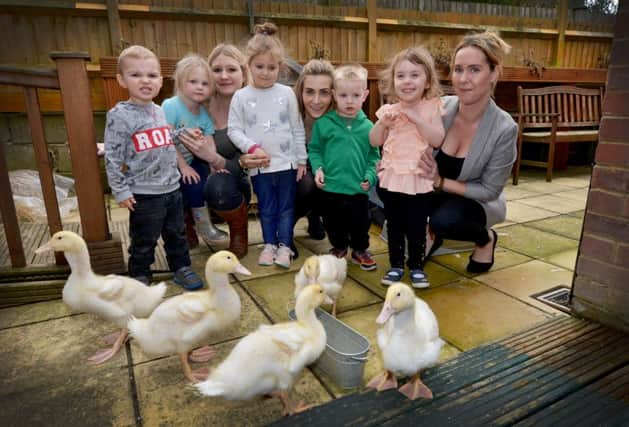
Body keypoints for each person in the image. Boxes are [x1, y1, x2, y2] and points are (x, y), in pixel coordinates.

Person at [103, 45, 204, 290]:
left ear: (161, 80)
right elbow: (112, 156)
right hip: (144, 193)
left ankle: (181, 267)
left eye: (151, 75)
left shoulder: (159, 111)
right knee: (144, 238)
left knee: (176, 233)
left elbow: (163, 138)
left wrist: (182, 134)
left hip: (171, 188)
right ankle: (139, 273)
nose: (145, 81)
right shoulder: (120, 115)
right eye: (136, 75)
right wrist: (121, 190)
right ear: (122, 80)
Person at [420, 31, 517, 273]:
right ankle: (429, 231)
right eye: (458, 69)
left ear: (493, 74)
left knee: (446, 221)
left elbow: (490, 190)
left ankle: (485, 239)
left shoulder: (504, 128)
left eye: (474, 70)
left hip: (474, 199)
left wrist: (440, 181)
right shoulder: (442, 108)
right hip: (434, 191)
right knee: (383, 187)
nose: (463, 79)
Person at [228, 22, 307, 268]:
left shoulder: (286, 94)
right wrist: (251, 148)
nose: (265, 72)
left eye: (271, 67)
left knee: (286, 208)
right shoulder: (241, 96)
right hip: (260, 167)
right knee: (266, 208)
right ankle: (269, 243)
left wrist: (301, 159)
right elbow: (234, 130)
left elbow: (296, 128)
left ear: (280, 68)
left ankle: (285, 246)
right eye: (259, 66)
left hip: (287, 165)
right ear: (248, 66)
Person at [370, 47, 445, 288]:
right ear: (393, 81)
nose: (407, 81)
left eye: (415, 75)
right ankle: (395, 266)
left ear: (427, 81)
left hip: (417, 179)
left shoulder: (432, 107)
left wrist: (416, 118)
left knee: (416, 225)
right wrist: (382, 123)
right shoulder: (390, 110)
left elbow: (437, 139)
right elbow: (374, 140)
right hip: (393, 178)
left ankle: (416, 266)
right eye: (401, 75)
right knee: (394, 225)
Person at [308, 64, 381, 271]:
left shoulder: (369, 128)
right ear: (334, 95)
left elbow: (374, 157)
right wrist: (318, 168)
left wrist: (370, 176)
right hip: (330, 187)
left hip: (358, 189)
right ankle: (339, 246)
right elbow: (314, 150)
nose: (349, 101)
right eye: (343, 95)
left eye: (355, 95)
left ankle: (360, 250)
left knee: (361, 222)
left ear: (365, 95)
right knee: (332, 222)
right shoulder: (324, 124)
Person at [161, 54, 228, 246]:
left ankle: (203, 225)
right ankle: (183, 229)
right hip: (170, 163)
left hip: (192, 160)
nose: (200, 87)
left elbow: (209, 141)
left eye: (205, 84)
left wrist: (215, 163)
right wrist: (182, 167)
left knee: (199, 183)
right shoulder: (171, 106)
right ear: (181, 82)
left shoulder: (203, 114)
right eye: (193, 81)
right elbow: (167, 140)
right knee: (178, 196)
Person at [291, 59, 336, 257]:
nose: (316, 100)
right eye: (310, 91)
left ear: (333, 93)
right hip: (294, 178)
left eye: (324, 92)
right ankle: (284, 229)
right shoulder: (290, 118)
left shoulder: (341, 118)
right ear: (300, 92)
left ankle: (315, 216)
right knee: (306, 183)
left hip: (325, 177)